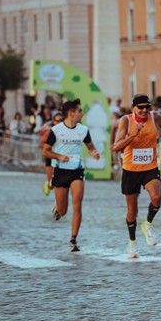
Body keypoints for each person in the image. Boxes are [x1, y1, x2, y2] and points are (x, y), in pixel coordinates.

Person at [113, 94, 161, 258]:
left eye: (148, 107)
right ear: (134, 109)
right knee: (132, 209)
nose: (145, 110)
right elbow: (116, 147)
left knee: (157, 197)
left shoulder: (156, 117)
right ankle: (132, 243)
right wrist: (132, 135)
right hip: (130, 169)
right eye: (141, 107)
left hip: (150, 167)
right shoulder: (126, 120)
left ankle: (148, 224)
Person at [42, 99, 100, 252]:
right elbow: (45, 151)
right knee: (63, 211)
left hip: (76, 170)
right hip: (61, 170)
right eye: (80, 111)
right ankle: (57, 208)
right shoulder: (56, 130)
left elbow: (90, 147)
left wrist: (94, 153)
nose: (82, 113)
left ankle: (73, 239)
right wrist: (59, 157)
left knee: (77, 203)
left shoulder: (83, 130)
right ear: (71, 113)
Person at [38, 114, 63, 195]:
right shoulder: (50, 132)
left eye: (61, 120)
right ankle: (47, 184)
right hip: (50, 158)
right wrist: (50, 148)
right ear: (53, 122)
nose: (59, 122)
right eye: (57, 120)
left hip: (61, 159)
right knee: (51, 184)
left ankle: (59, 201)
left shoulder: (66, 133)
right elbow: (40, 145)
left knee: (60, 182)